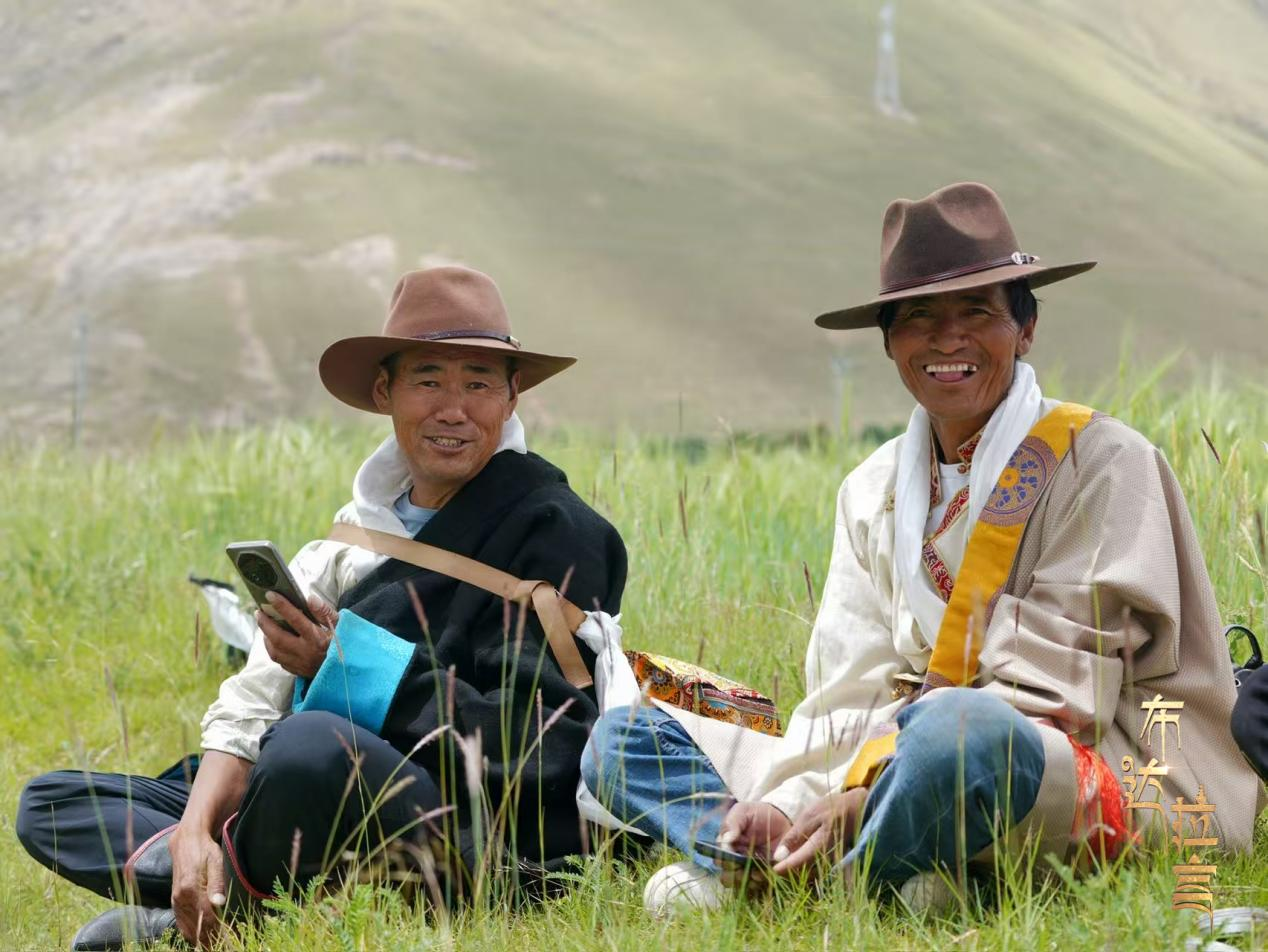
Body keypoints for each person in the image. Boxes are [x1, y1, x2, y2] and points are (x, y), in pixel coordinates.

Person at [582, 182, 1264, 916]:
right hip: (889, 757)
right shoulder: (871, 488)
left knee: (958, 736)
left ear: (1025, 329)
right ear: (888, 342)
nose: (947, 340)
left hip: (1106, 761)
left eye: (977, 312)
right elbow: (848, 684)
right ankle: (763, 847)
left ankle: (820, 876)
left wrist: (868, 788)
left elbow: (1056, 701)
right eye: (918, 318)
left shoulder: (1103, 464)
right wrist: (792, 799)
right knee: (623, 736)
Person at [17, 266, 627, 949]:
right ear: (384, 392)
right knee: (54, 804)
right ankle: (214, 865)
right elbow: (253, 705)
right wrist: (192, 829)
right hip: (296, 787)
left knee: (307, 749)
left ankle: (228, 917)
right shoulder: (351, 538)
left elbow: (547, 747)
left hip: (457, 827)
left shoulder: (553, 529)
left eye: (479, 382)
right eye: (429, 379)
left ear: (512, 398)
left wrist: (346, 668)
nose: (454, 408)